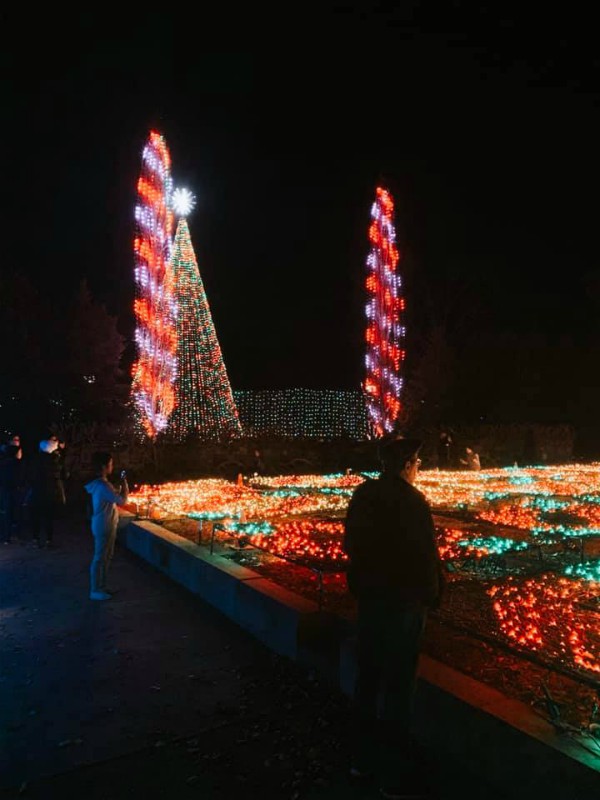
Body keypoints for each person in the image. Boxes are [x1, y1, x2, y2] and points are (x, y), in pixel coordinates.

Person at [343, 436, 445, 799]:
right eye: (417, 463)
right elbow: (424, 556)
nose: (419, 469)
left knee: (368, 677)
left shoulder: (364, 495)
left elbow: (350, 544)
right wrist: (432, 594)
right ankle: (393, 776)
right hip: (403, 602)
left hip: (372, 598)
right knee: (399, 684)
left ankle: (361, 760)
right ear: (406, 466)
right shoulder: (412, 502)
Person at [85, 452, 129, 601]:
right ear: (104, 466)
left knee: (106, 556)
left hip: (105, 523)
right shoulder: (102, 485)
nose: (112, 466)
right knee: (100, 557)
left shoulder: (102, 484)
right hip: (104, 524)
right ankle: (95, 589)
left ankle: (101, 586)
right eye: (110, 464)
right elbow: (122, 500)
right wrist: (124, 484)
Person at [28, 438, 65, 548]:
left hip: (37, 492)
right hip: (50, 493)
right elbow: (62, 475)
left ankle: (36, 539)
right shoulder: (55, 462)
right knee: (48, 518)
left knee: (36, 517)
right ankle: (49, 540)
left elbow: (30, 476)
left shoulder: (35, 461)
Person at [0, 444, 25, 544]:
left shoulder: (3, 464)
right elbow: (21, 477)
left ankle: (7, 536)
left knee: (7, 513)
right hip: (16, 490)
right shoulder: (18, 464)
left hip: (6, 490)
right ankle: (17, 534)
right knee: (17, 512)